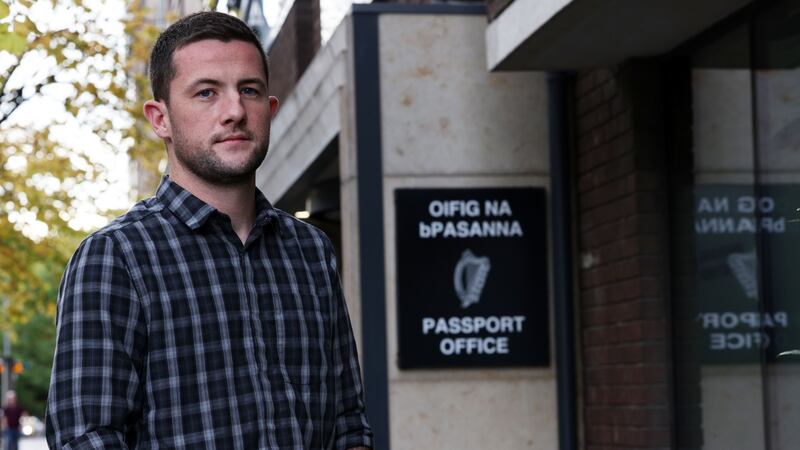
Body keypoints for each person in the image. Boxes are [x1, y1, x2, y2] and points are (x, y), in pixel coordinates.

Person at [45, 11, 372, 449]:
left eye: (249, 91)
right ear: (160, 118)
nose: (234, 111)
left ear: (269, 110)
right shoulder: (115, 259)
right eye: (206, 93)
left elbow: (348, 422)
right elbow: (85, 438)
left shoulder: (310, 251)